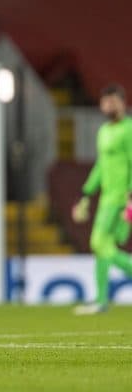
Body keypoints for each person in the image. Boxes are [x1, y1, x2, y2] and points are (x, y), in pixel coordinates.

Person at [71, 83, 132, 315]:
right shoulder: (103, 131)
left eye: (113, 101)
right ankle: (101, 300)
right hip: (106, 198)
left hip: (121, 198)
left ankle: (101, 299)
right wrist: (86, 193)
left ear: (122, 103)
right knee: (103, 247)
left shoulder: (129, 129)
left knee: (99, 242)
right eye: (105, 101)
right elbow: (100, 166)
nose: (108, 105)